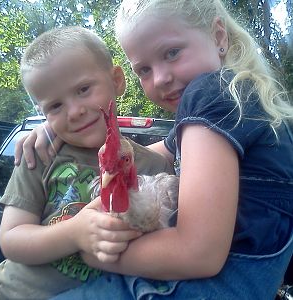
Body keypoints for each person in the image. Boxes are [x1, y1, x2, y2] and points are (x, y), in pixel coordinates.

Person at [16, 0, 293, 299]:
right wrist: (55, 126)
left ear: (219, 37)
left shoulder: (211, 94)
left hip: (201, 287)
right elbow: (145, 153)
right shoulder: (245, 104)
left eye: (172, 53)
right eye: (144, 69)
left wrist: (93, 254)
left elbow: (198, 252)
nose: (160, 78)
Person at [0, 25, 175, 300]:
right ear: (42, 113)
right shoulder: (40, 155)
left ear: (117, 80)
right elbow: (11, 240)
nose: (75, 111)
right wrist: (74, 233)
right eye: (55, 106)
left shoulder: (155, 168)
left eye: (83, 89)